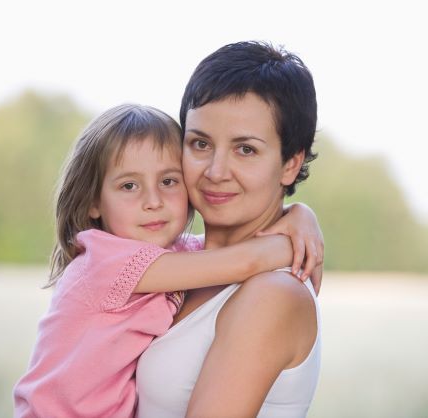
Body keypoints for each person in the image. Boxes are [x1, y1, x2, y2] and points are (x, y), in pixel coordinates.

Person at [12, 104, 322, 417]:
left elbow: (225, 253)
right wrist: (295, 246)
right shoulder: (102, 261)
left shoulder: (173, 256)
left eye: (169, 181)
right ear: (93, 201)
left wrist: (298, 213)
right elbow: (244, 261)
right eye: (129, 186)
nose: (153, 201)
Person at [135, 41, 322, 417]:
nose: (216, 172)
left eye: (246, 150)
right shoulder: (177, 261)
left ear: (290, 163)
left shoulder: (273, 294)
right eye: (200, 143)